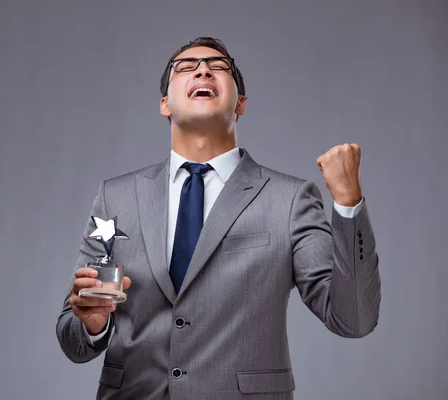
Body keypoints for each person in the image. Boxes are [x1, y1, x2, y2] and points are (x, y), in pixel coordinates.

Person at [56, 36, 381, 400]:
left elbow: (353, 319)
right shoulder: (114, 196)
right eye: (186, 67)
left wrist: (348, 204)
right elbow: (72, 337)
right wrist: (94, 327)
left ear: (240, 103)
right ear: (165, 104)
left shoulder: (289, 200)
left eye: (218, 66)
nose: (203, 70)